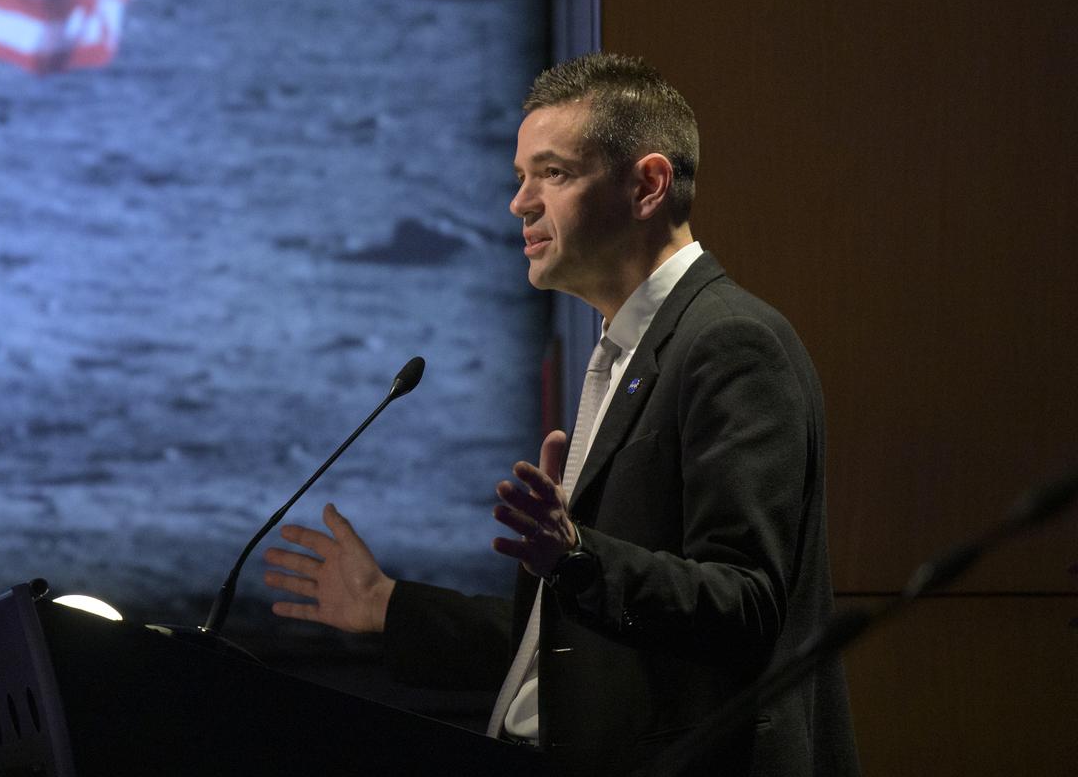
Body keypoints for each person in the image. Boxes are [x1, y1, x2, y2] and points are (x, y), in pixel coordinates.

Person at [263, 54, 858, 775]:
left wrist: (576, 555)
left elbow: (746, 606)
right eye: (520, 176)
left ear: (647, 185)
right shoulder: (621, 352)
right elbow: (572, 635)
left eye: (553, 173)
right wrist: (390, 605)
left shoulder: (731, 343)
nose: (520, 202)